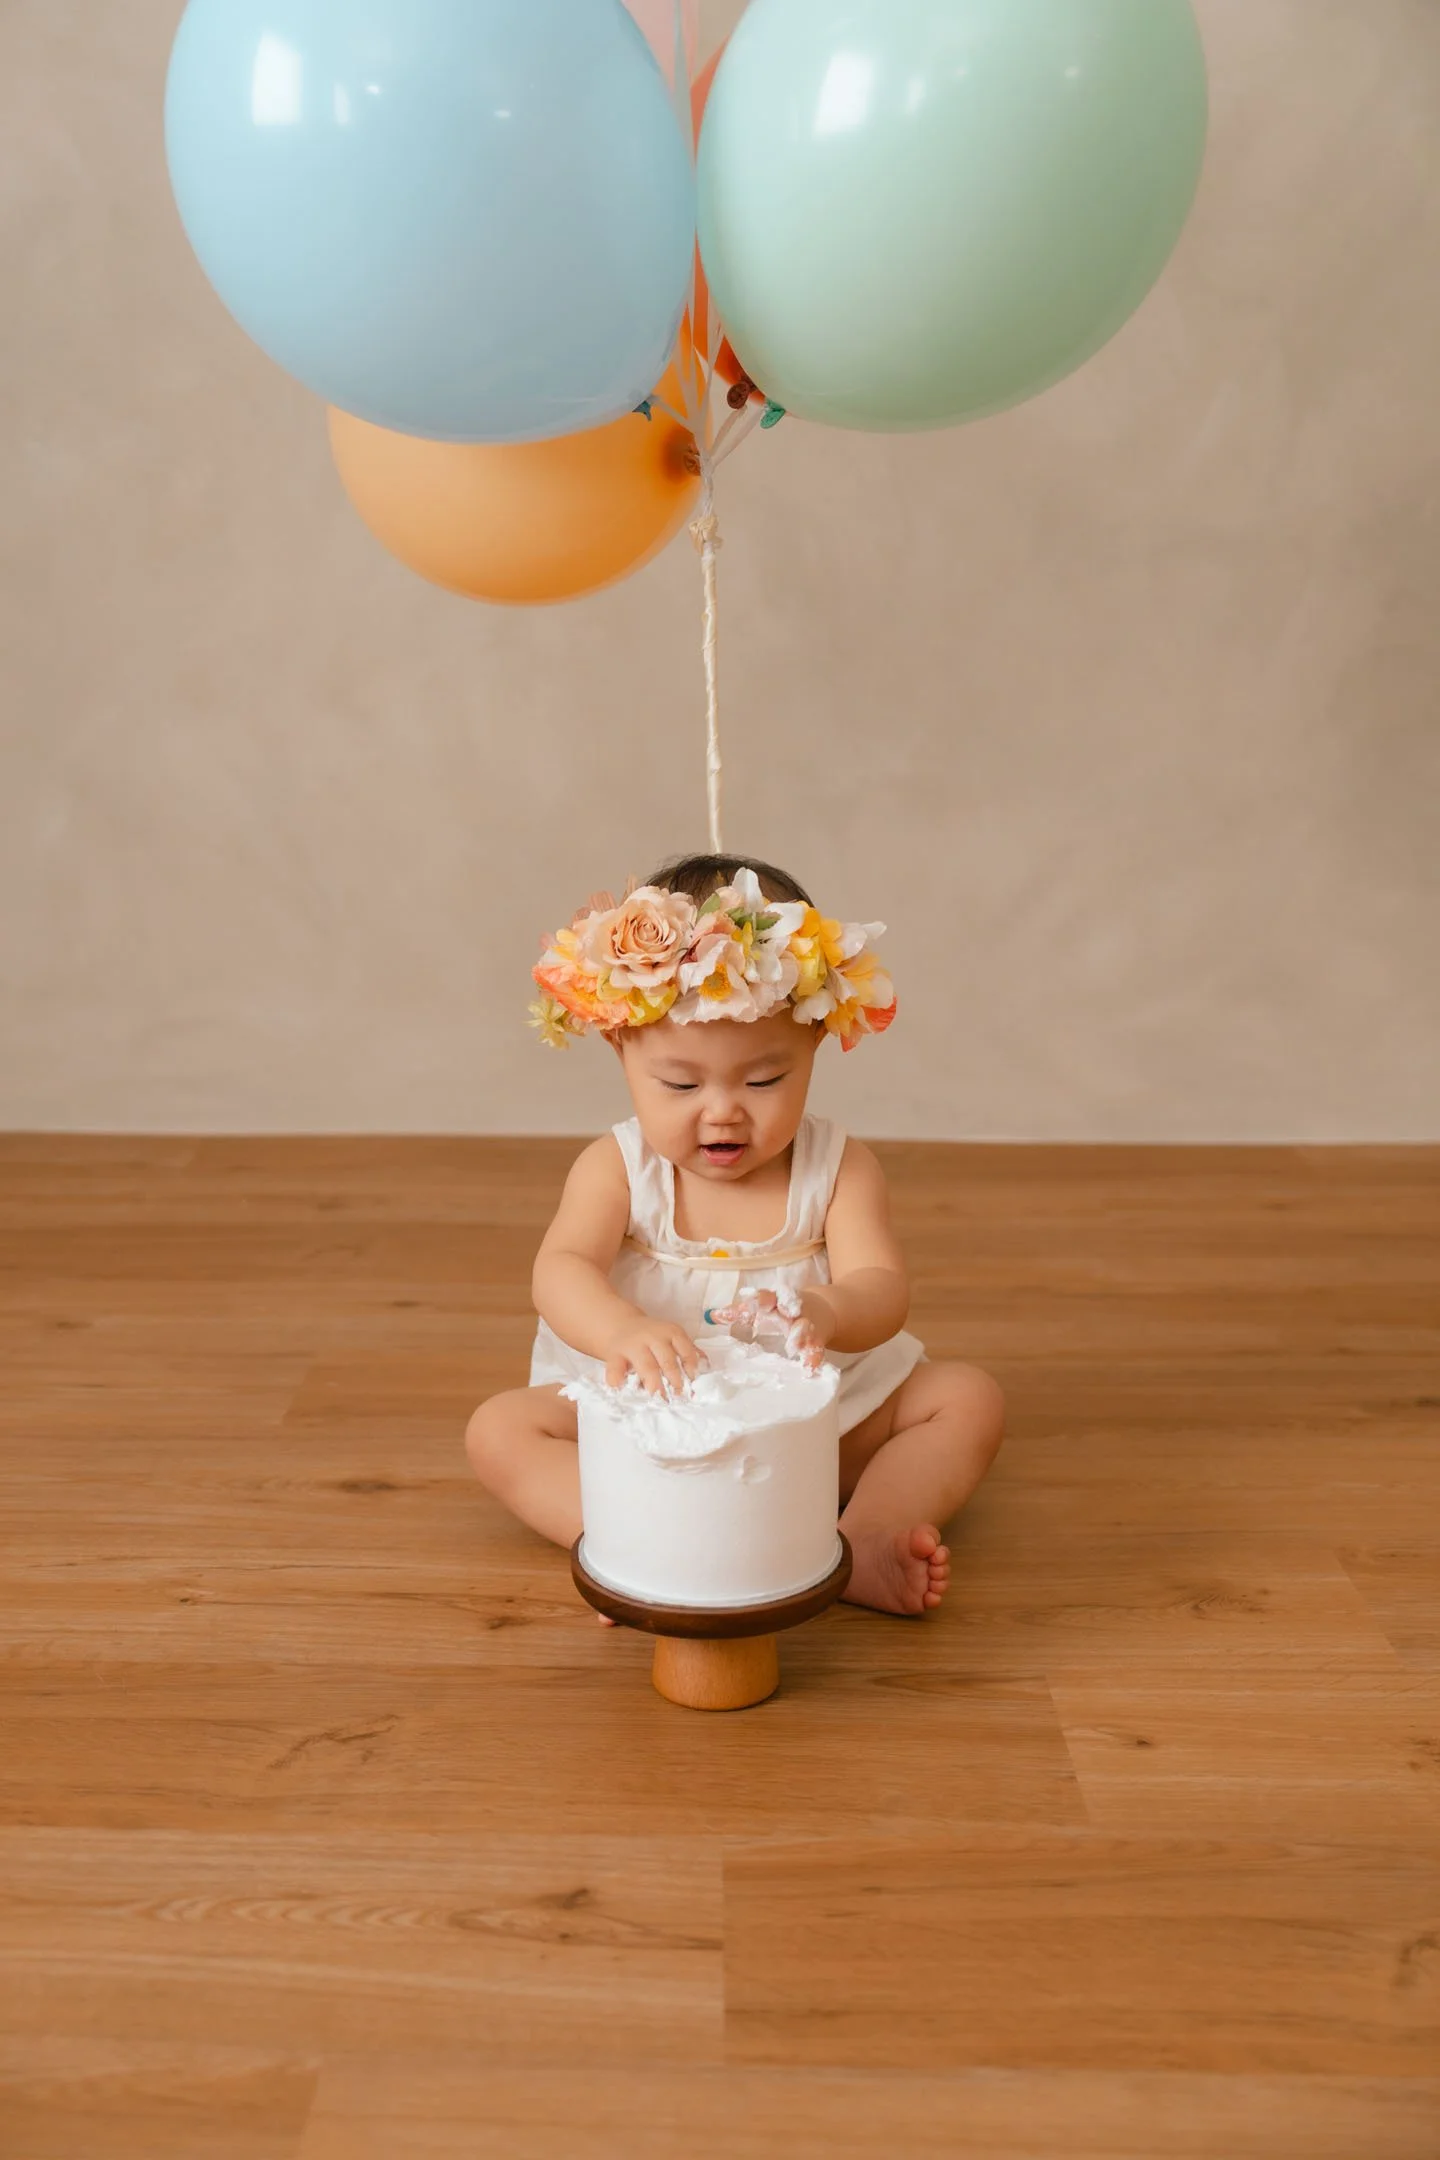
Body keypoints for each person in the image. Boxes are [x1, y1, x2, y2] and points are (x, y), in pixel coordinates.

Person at [465, 852, 1005, 1617]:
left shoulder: (837, 1168)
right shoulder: (616, 1168)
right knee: (500, 1432)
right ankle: (643, 1549)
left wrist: (827, 1311)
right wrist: (621, 1328)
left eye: (764, 1081)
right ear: (622, 1052)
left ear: (816, 1043)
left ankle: (860, 1542)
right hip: (652, 1425)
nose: (722, 1112)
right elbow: (559, 1271)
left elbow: (882, 1288)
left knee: (966, 1398)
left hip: (817, 1430)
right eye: (681, 1085)